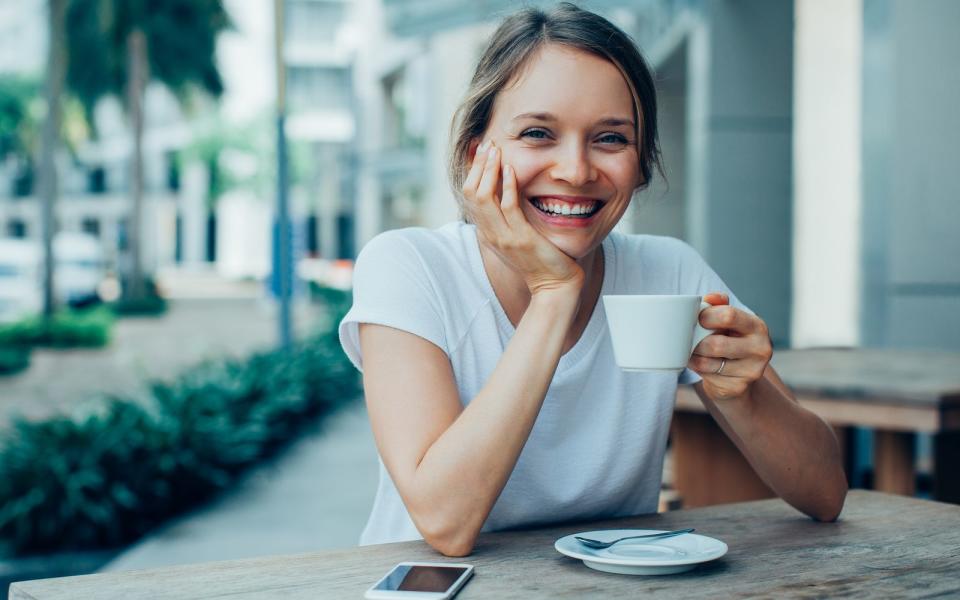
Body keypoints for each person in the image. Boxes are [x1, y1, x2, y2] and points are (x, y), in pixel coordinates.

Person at [339, 2, 847, 557]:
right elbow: (444, 522)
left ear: (641, 162)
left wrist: (742, 392)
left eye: (611, 139)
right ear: (476, 154)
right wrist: (555, 293)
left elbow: (824, 494)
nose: (577, 171)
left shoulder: (667, 270)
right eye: (538, 133)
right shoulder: (409, 266)